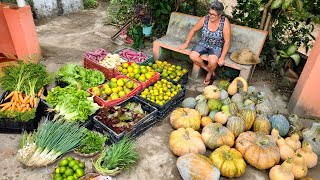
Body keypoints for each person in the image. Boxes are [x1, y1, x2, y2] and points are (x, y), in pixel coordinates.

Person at [179, 1, 231, 85]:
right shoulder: (205, 18)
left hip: (216, 46)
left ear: (219, 15)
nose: (210, 16)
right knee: (193, 56)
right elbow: (193, 30)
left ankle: (209, 74)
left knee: (213, 61)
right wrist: (186, 43)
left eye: (213, 14)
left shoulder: (224, 22)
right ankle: (208, 69)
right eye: (210, 13)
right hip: (203, 43)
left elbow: (227, 41)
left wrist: (222, 58)